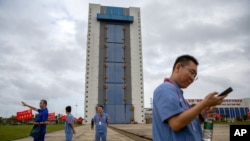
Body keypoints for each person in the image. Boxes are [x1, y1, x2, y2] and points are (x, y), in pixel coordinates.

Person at [152, 54, 227, 141]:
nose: (192, 78)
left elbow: (186, 123)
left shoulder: (179, 95)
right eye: (191, 73)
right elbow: (176, 123)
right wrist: (204, 104)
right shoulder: (165, 89)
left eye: (195, 76)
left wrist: (201, 116)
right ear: (178, 67)